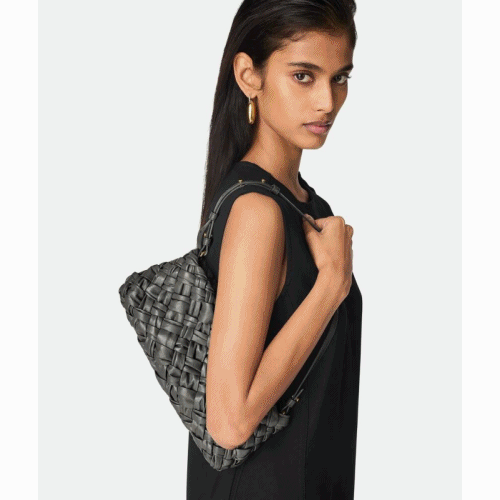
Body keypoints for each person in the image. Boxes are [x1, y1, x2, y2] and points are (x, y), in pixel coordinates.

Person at [187, 1, 362, 499]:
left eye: (340, 77)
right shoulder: (257, 212)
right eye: (303, 76)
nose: (327, 101)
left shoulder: (306, 206)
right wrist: (331, 286)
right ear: (250, 76)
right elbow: (230, 422)